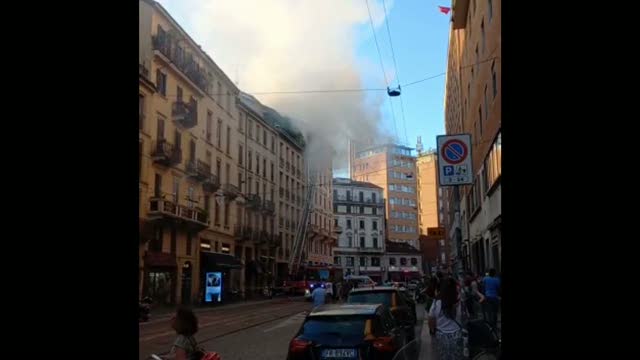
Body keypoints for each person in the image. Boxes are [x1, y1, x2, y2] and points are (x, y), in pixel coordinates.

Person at [428, 277, 465, 360]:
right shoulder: (459, 301)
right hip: (457, 334)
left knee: (443, 357)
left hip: (441, 335)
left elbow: (431, 318)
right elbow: (465, 317)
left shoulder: (437, 301)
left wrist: (433, 331)